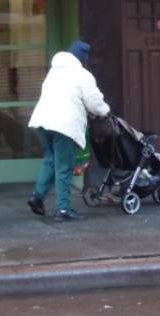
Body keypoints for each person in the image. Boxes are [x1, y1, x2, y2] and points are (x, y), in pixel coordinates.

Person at [27, 40, 110, 221]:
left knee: (50, 160)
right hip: (63, 126)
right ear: (83, 59)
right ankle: (63, 210)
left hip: (42, 121)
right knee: (63, 167)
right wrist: (105, 111)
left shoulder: (54, 71)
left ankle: (36, 197)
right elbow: (94, 102)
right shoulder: (82, 75)